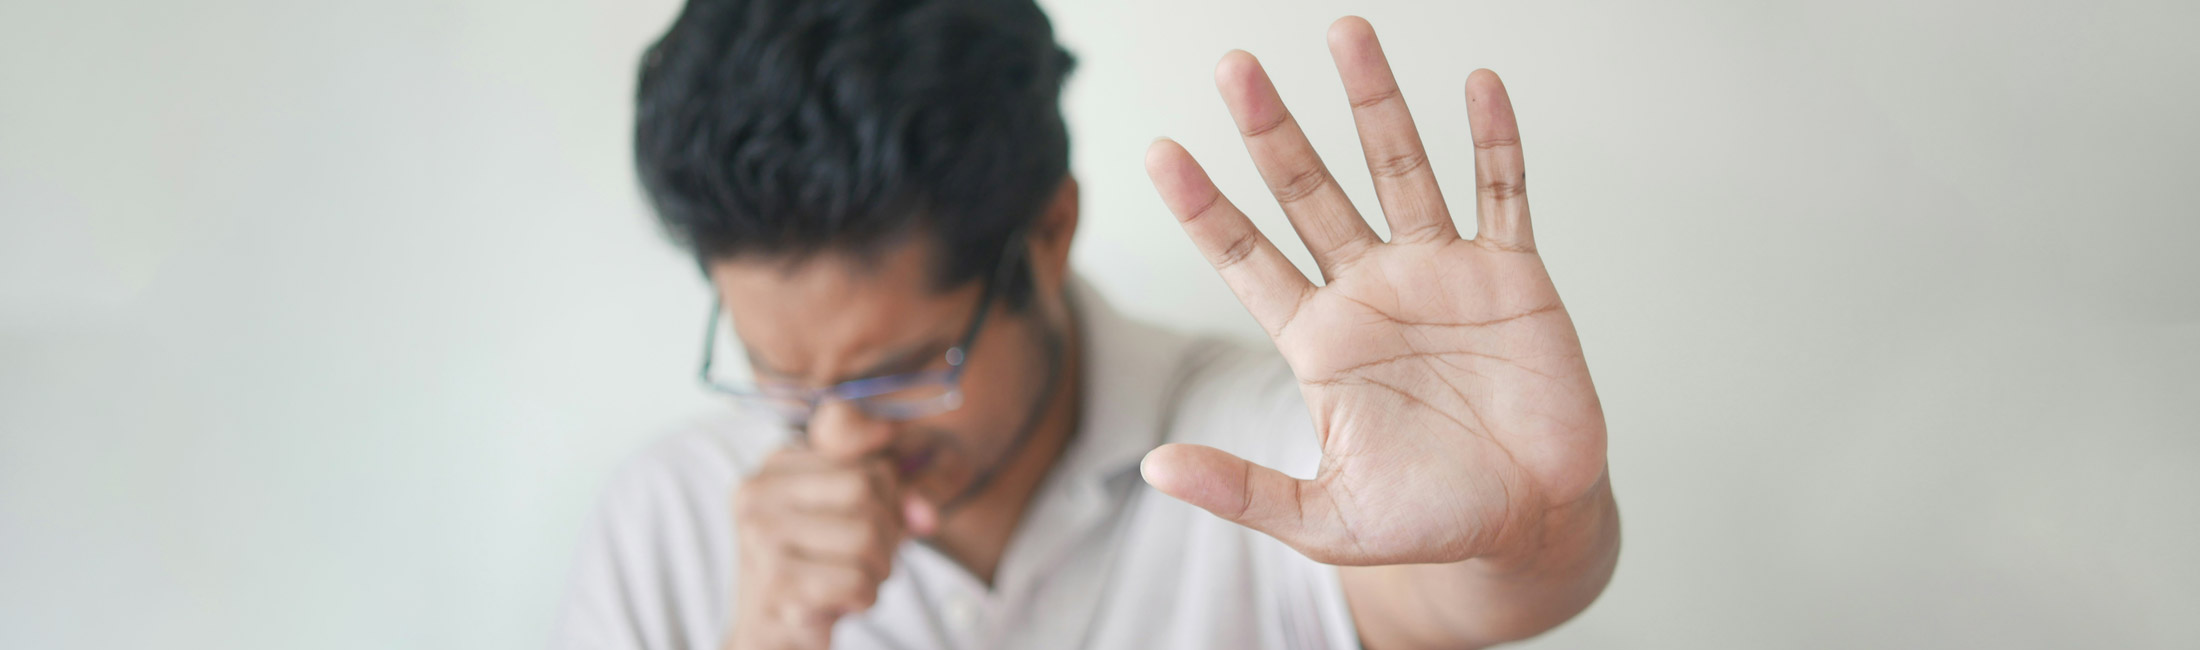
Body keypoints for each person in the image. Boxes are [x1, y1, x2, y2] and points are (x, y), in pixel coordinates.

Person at [553, 0, 1619, 648]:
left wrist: (1532, 527)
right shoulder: (668, 515)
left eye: (904, 369)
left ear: (1049, 229)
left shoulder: (1267, 437)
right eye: (779, 375)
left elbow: (1466, 591)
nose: (839, 437)